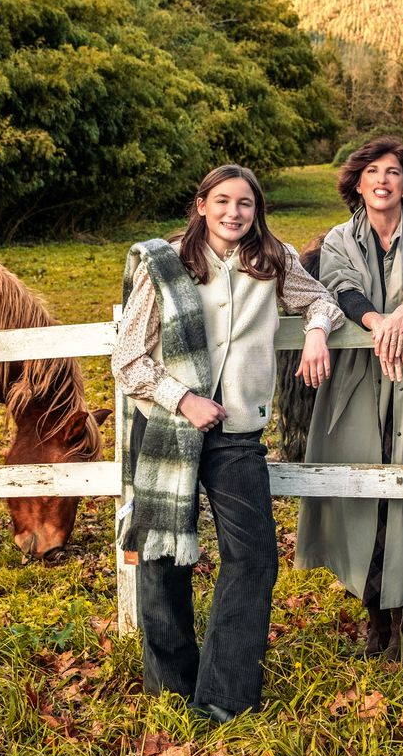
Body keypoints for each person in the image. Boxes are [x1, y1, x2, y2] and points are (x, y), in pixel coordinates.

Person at [111, 164, 344, 724]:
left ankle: (223, 695)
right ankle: (171, 684)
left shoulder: (272, 259)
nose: (234, 213)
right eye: (222, 201)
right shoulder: (166, 265)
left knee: (255, 557)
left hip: (237, 434)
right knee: (163, 556)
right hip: (169, 426)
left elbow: (322, 302)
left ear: (256, 211)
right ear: (201, 205)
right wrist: (183, 398)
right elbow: (128, 358)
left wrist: (315, 332)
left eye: (245, 204)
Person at [295, 138, 403, 660]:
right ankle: (374, 614)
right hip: (359, 380)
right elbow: (339, 287)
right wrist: (377, 322)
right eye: (372, 172)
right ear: (358, 184)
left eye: (393, 172)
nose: (383, 180)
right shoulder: (340, 238)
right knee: (363, 489)